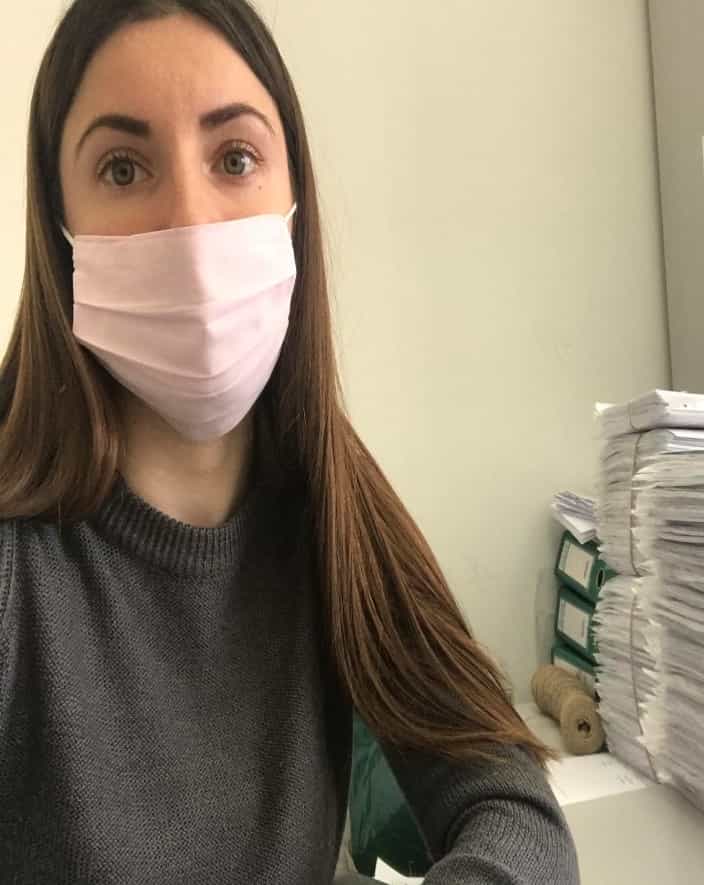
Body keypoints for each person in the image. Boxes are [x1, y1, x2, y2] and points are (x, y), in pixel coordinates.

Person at [0, 1, 579, 882]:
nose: (192, 224)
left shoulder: (333, 500)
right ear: (58, 223)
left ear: (293, 201)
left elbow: (510, 803)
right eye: (123, 168)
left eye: (235, 158)